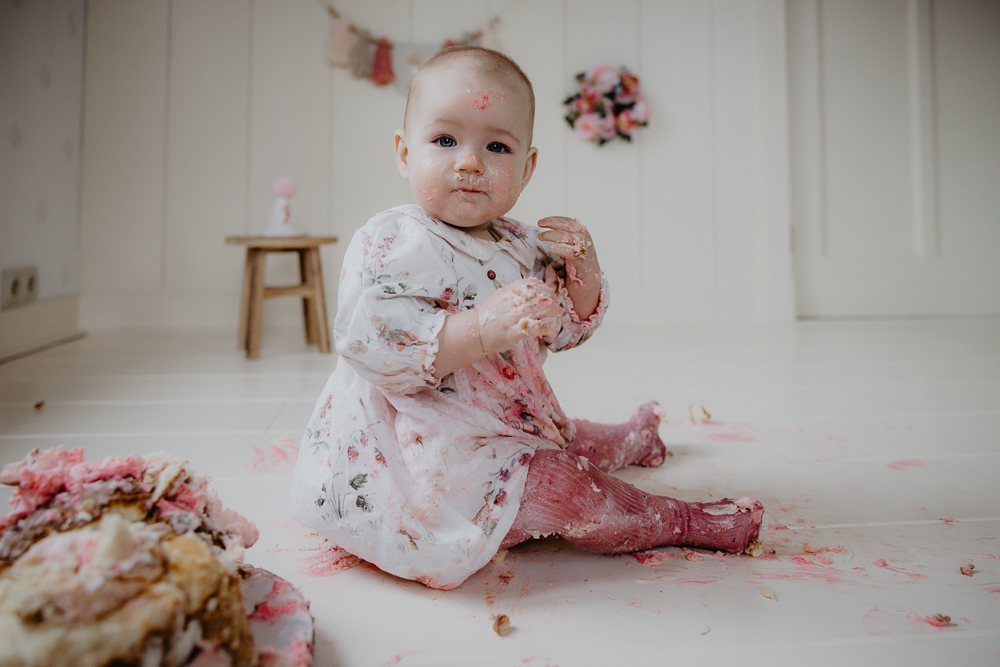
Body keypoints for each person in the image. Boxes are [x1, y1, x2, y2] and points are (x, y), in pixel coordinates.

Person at [291, 46, 763, 590]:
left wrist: (582, 272)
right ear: (404, 153)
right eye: (445, 140)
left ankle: (632, 442)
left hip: (503, 425)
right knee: (563, 486)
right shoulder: (394, 242)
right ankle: (679, 520)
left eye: (496, 146)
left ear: (527, 167)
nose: (469, 162)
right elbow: (371, 343)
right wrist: (481, 329)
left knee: (560, 436)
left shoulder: (522, 245)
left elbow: (565, 328)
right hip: (427, 458)